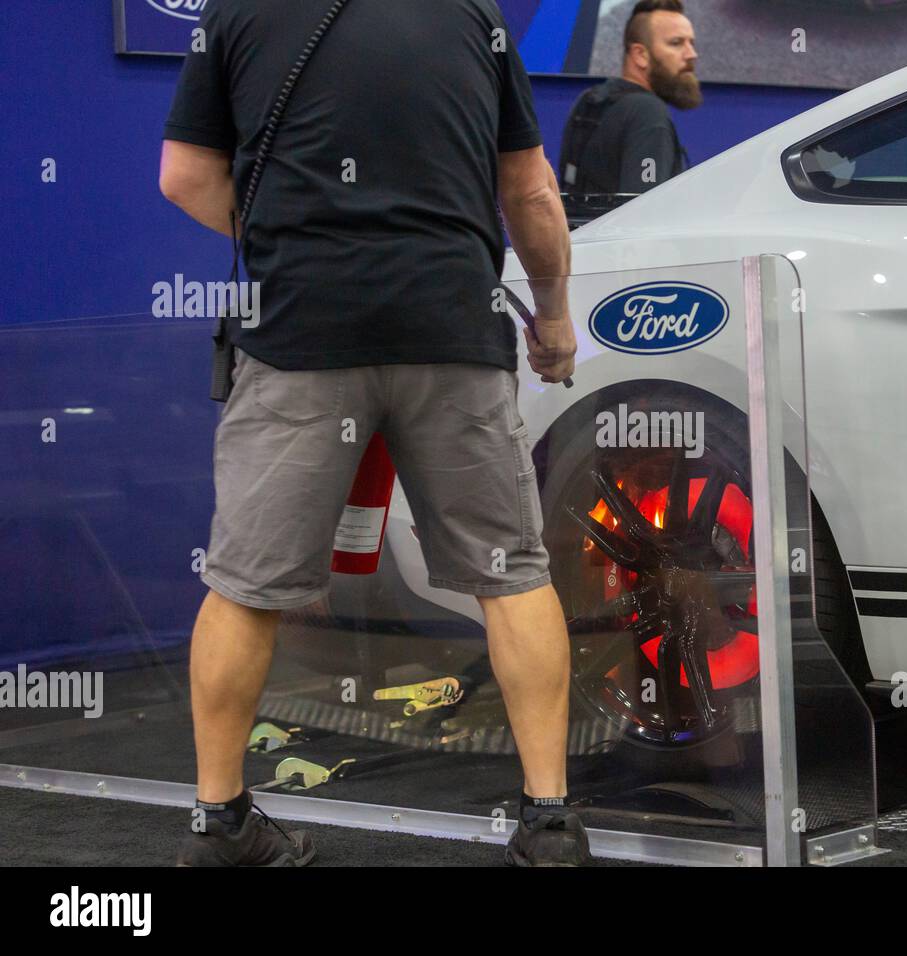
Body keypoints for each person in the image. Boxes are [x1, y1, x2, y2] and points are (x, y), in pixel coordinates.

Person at [159, 0, 586, 866]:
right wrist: (553, 316)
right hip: (450, 328)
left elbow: (184, 176)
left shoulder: (238, 11)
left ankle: (221, 825)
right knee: (512, 576)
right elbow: (531, 189)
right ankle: (549, 825)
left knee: (244, 588)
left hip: (301, 335)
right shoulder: (473, 15)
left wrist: (296, 235)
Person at [558, 0, 699, 196]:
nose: (691, 54)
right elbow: (644, 212)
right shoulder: (648, 113)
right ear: (640, 55)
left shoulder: (588, 100)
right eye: (676, 43)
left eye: (691, 43)